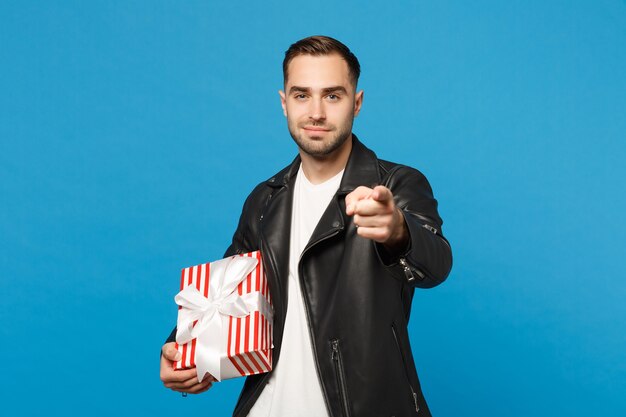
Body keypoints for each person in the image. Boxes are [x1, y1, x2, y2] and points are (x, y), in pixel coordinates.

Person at [160, 35, 452, 417]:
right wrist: (184, 351)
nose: (316, 112)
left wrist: (398, 231)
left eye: (332, 96)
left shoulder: (396, 184)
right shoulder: (264, 201)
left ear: (357, 104)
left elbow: (436, 264)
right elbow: (225, 292)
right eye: (301, 95)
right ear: (284, 103)